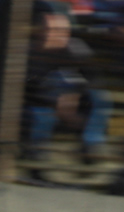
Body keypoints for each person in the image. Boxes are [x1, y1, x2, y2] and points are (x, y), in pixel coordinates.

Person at [25, 1, 113, 157]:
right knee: (42, 115)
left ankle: (90, 148)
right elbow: (24, 90)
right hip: (38, 105)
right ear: (38, 31)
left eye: (64, 30)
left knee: (100, 98)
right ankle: (36, 159)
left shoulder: (75, 48)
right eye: (54, 30)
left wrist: (73, 98)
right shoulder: (28, 53)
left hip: (71, 103)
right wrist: (55, 105)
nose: (61, 35)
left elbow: (95, 79)